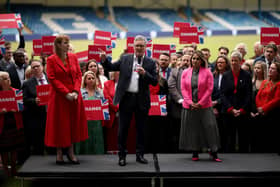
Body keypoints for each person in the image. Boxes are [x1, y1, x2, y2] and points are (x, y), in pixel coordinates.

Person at [101, 35, 158, 166]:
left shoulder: (150, 62)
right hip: (126, 98)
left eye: (141, 46)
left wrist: (145, 74)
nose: (139, 48)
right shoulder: (125, 58)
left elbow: (154, 81)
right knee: (123, 129)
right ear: (133, 46)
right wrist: (104, 60)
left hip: (142, 99)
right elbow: (110, 67)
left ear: (145, 47)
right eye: (137, 45)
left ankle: (140, 155)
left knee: (141, 129)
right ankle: (122, 156)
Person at [44, 34, 88, 165]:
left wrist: (75, 91)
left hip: (74, 97)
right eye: (64, 43)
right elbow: (52, 78)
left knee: (72, 124)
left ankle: (71, 152)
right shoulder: (51, 59)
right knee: (60, 125)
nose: (68, 45)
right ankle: (59, 154)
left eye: (68, 42)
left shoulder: (74, 57)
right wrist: (66, 93)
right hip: (59, 98)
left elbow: (79, 75)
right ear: (57, 45)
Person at [179, 50, 221, 161]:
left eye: (198, 59)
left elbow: (209, 89)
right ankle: (195, 152)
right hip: (190, 106)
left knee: (210, 127)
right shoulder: (185, 72)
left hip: (205, 105)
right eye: (193, 58)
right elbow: (183, 89)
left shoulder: (207, 72)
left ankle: (214, 152)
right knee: (193, 129)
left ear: (202, 61)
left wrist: (200, 103)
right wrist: (190, 102)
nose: (195, 61)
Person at [221, 51, 252, 153]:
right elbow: (223, 94)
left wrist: (242, 109)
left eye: (236, 61)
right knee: (229, 138)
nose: (234, 63)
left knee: (244, 137)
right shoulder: (225, 75)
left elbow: (248, 94)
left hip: (243, 112)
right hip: (228, 111)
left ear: (241, 61)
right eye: (232, 60)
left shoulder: (247, 75)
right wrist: (230, 109)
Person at [0, 71, 25, 176]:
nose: (8, 80)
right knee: (4, 150)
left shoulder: (17, 92)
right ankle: (6, 169)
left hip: (15, 124)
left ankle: (14, 168)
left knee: (14, 149)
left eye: (9, 78)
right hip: (2, 126)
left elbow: (22, 108)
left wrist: (18, 109)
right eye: (5, 78)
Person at [22, 60, 48, 156]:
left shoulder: (51, 80)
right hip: (38, 118)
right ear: (31, 70)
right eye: (33, 67)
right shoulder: (27, 84)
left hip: (52, 115)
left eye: (38, 66)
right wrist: (34, 101)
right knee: (39, 143)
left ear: (42, 67)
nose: (36, 68)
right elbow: (24, 100)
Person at [75, 71, 104, 154]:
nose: (91, 80)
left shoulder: (100, 92)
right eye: (89, 78)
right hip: (84, 121)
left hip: (96, 122)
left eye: (93, 78)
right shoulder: (80, 92)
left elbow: (103, 107)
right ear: (85, 80)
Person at [167, 54, 191, 153]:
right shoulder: (175, 72)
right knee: (177, 130)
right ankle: (177, 151)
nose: (185, 62)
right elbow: (171, 86)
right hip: (178, 107)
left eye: (188, 60)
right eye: (183, 60)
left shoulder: (197, 73)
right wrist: (180, 100)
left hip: (193, 107)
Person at [255, 62, 280, 153]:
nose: (270, 70)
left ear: (278, 72)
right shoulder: (265, 82)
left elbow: (277, 99)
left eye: (273, 69)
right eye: (270, 68)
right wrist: (259, 108)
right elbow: (258, 96)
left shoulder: (278, 84)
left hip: (273, 113)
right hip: (262, 113)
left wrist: (264, 108)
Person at [211, 56, 231, 152]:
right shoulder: (213, 75)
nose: (219, 64)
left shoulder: (230, 76)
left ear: (226, 64)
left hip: (226, 107)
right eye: (218, 62)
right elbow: (208, 91)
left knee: (225, 131)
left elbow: (228, 93)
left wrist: (217, 102)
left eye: (222, 62)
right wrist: (213, 106)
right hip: (213, 108)